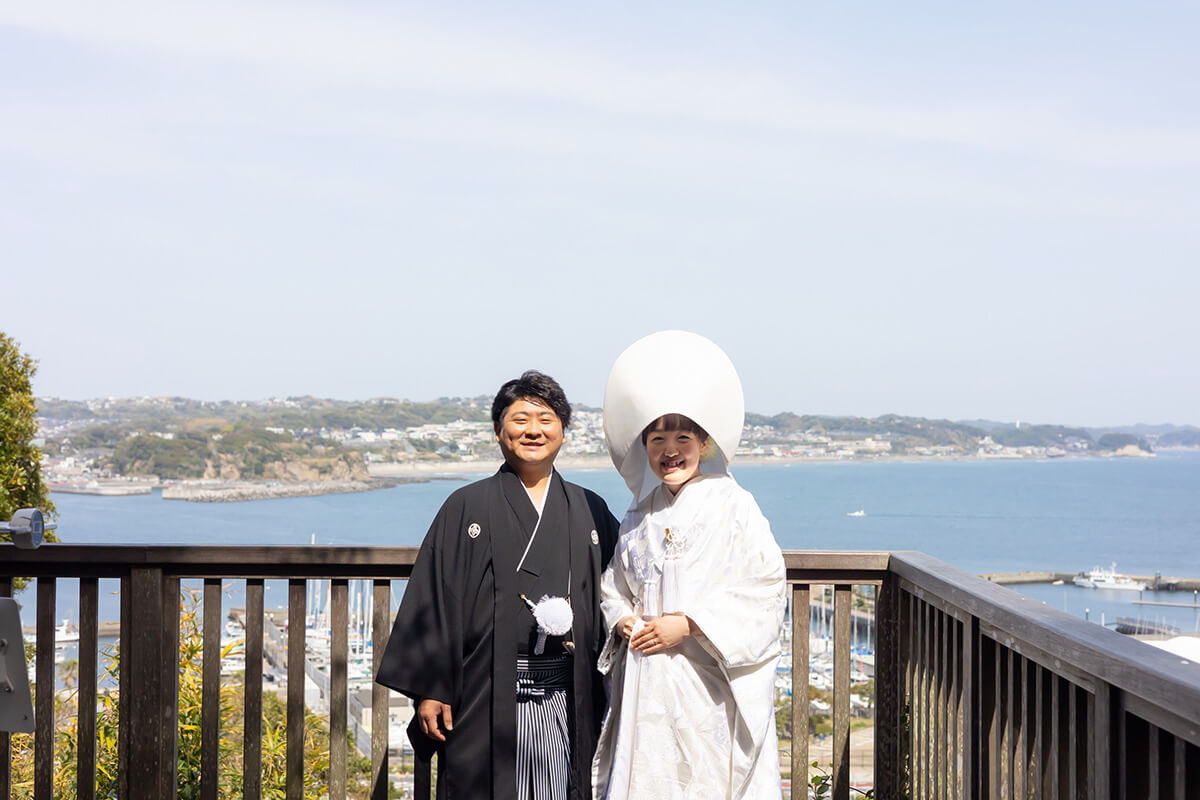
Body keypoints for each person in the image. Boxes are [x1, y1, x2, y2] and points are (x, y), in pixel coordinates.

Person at [376, 371, 619, 800]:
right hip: (484, 690)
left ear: (563, 432)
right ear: (498, 431)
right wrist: (432, 687)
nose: (533, 430)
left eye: (545, 419)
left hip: (568, 689)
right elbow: (436, 594)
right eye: (520, 418)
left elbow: (620, 587)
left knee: (566, 787)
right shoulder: (467, 506)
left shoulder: (590, 508)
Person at [591, 331, 787, 800]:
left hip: (709, 678)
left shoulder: (734, 505)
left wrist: (691, 623)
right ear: (645, 447)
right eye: (657, 439)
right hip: (648, 674)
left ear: (705, 444)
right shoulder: (639, 516)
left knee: (706, 778)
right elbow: (613, 586)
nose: (670, 450)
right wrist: (621, 620)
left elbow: (766, 586)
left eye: (683, 437)